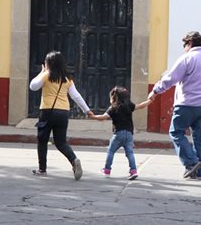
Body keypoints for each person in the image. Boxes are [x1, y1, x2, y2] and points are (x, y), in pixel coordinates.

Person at [137, 31, 201, 181]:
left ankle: (191, 163)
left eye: (185, 45)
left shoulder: (187, 59)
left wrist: (156, 90)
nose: (184, 48)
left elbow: (170, 78)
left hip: (188, 103)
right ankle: (200, 172)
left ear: (189, 44)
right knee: (199, 138)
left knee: (176, 132)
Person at [29, 51, 91, 179]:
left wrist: (42, 72)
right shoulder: (67, 78)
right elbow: (76, 96)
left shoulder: (46, 75)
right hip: (63, 113)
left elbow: (33, 86)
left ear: (48, 63)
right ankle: (74, 160)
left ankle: (42, 169)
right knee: (61, 142)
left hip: (47, 112)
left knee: (42, 140)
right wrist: (87, 110)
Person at [87, 86, 148, 180]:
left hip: (118, 134)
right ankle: (133, 171)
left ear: (114, 98)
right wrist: (150, 101)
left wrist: (93, 116)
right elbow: (141, 106)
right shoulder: (129, 105)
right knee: (130, 153)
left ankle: (107, 169)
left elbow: (103, 117)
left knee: (111, 151)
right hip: (129, 134)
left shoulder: (113, 108)